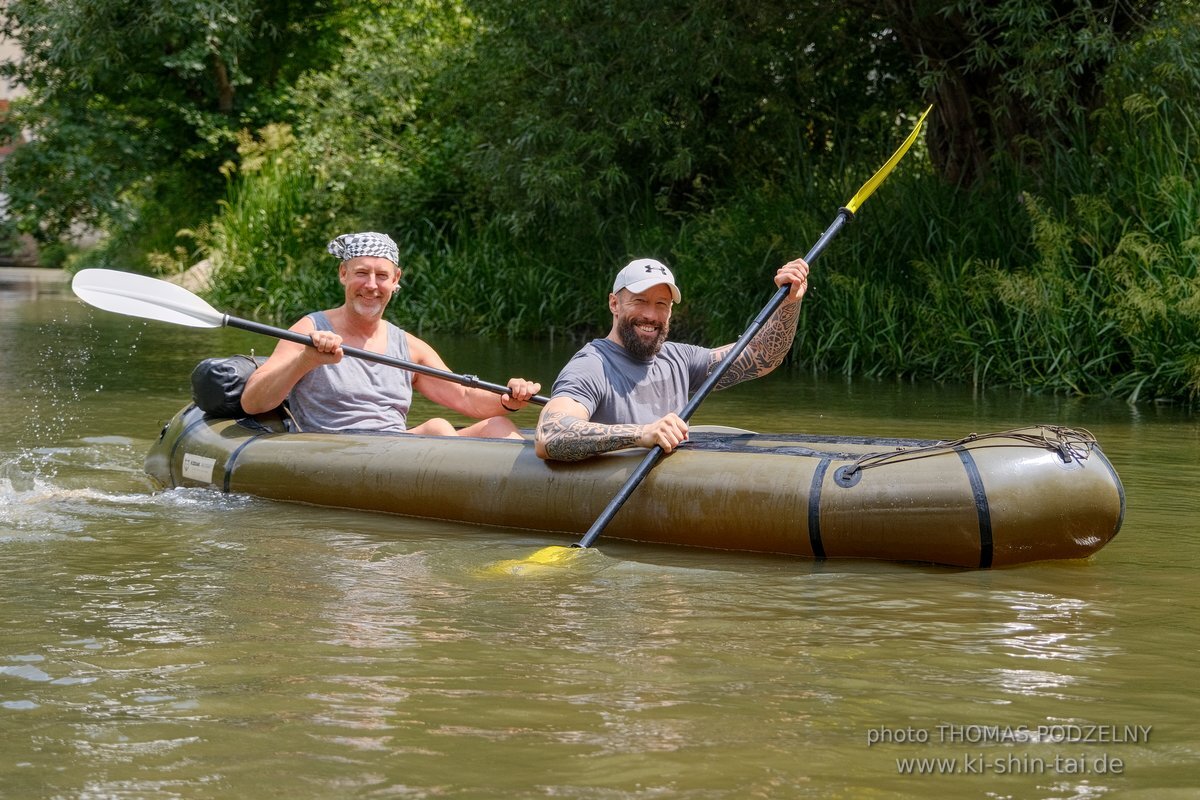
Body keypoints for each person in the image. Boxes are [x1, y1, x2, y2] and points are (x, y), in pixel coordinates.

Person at [241, 231, 541, 438]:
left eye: (381, 276)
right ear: (343, 274)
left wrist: (509, 399)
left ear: (395, 280)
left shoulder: (408, 346)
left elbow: (465, 397)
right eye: (361, 273)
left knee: (498, 425)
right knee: (437, 428)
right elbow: (253, 402)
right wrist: (306, 360)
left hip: (395, 453)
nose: (371, 285)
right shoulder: (310, 329)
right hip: (332, 452)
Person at [534, 256, 809, 461]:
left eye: (661, 304)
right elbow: (549, 435)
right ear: (614, 304)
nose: (651, 315)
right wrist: (641, 434)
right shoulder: (591, 365)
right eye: (640, 301)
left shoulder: (679, 358)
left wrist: (789, 301)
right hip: (609, 490)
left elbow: (763, 356)